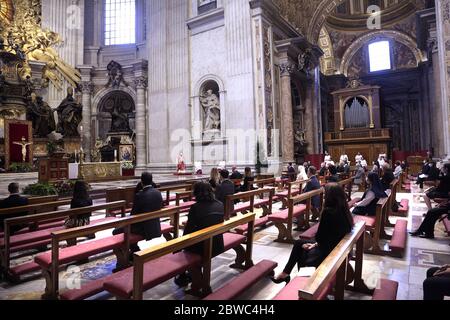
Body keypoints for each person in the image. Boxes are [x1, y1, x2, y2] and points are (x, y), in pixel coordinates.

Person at [271, 183, 354, 284]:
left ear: (330, 197)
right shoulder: (344, 210)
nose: (323, 198)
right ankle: (286, 273)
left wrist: (314, 245)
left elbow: (320, 237)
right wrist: (315, 244)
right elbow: (330, 235)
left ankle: (301, 281)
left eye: (325, 195)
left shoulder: (328, 212)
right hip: (336, 247)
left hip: (329, 252)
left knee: (301, 248)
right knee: (299, 243)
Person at [174, 182, 225, 287]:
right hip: (217, 243)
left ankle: (185, 277)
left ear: (196, 193)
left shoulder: (196, 207)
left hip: (202, 246)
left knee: (178, 248)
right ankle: (189, 275)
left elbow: (188, 231)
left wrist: (179, 244)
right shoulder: (220, 204)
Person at [113, 172, 163, 254]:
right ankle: (134, 249)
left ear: (141, 181)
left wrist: (123, 223)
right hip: (155, 225)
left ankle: (127, 255)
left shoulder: (140, 195)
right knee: (124, 227)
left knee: (115, 231)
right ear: (151, 180)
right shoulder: (157, 192)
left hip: (144, 228)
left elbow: (133, 216)